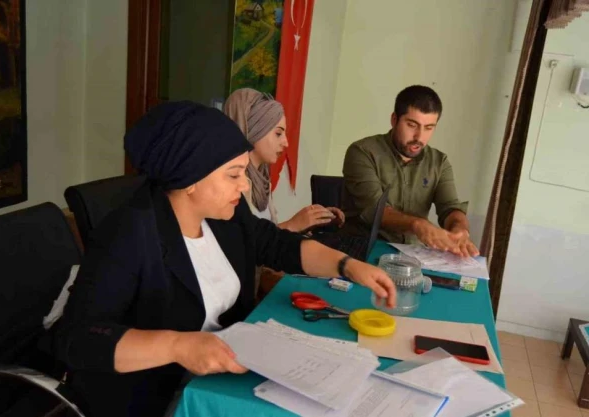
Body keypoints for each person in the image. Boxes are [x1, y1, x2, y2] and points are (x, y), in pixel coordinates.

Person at [50, 101, 397, 417]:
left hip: (223, 372)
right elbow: (77, 339)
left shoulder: (223, 215)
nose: (244, 185)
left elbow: (276, 243)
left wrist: (347, 266)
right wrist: (177, 346)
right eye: (233, 174)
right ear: (189, 180)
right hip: (154, 393)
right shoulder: (129, 234)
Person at [341, 85, 479, 257]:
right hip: (363, 248)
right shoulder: (362, 152)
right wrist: (417, 225)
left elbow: (450, 208)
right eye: (412, 125)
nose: (419, 137)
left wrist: (459, 229)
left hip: (412, 255)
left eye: (429, 128)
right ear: (394, 120)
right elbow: (374, 211)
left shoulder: (439, 162)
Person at [223, 88, 344, 232]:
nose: (285, 143)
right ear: (254, 131)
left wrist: (309, 221)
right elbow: (239, 242)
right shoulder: (230, 183)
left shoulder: (263, 180)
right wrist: (292, 225)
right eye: (278, 133)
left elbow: (266, 236)